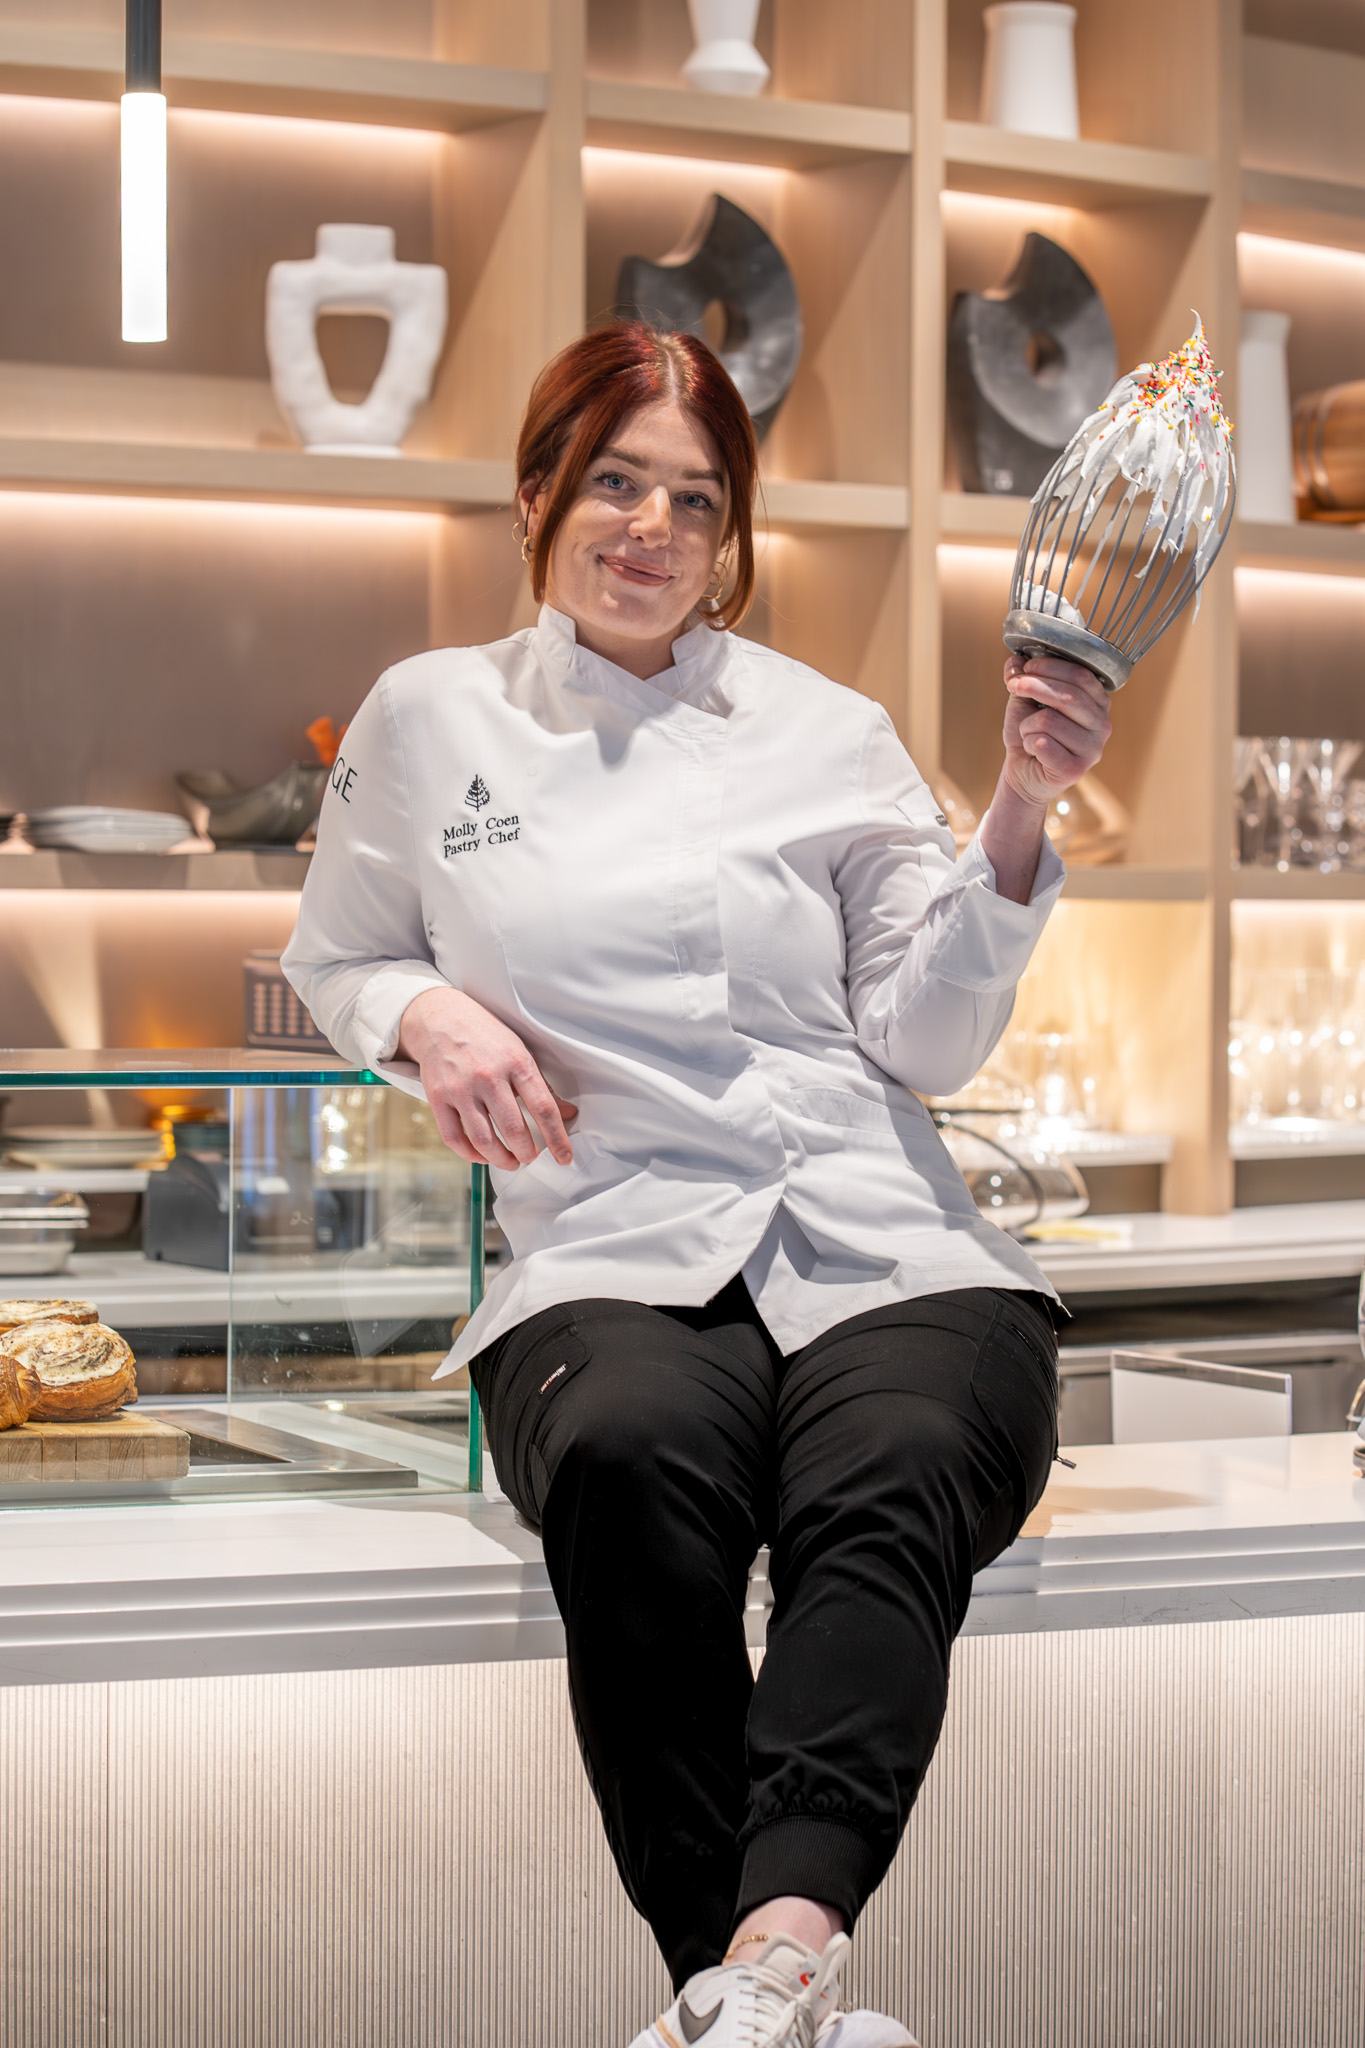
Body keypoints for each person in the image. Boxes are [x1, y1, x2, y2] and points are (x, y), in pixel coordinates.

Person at [283, 322, 1112, 2047]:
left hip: (882, 1238)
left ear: (731, 531)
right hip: (609, 1238)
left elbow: (922, 1034)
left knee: (900, 1458)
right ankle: (758, 1988)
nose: (651, 528)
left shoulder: (829, 729)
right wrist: (425, 1015)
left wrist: (1019, 814)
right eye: (614, 482)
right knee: (625, 1451)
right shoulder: (430, 716)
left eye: (694, 497)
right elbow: (339, 953)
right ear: (535, 494)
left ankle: (762, 1968)